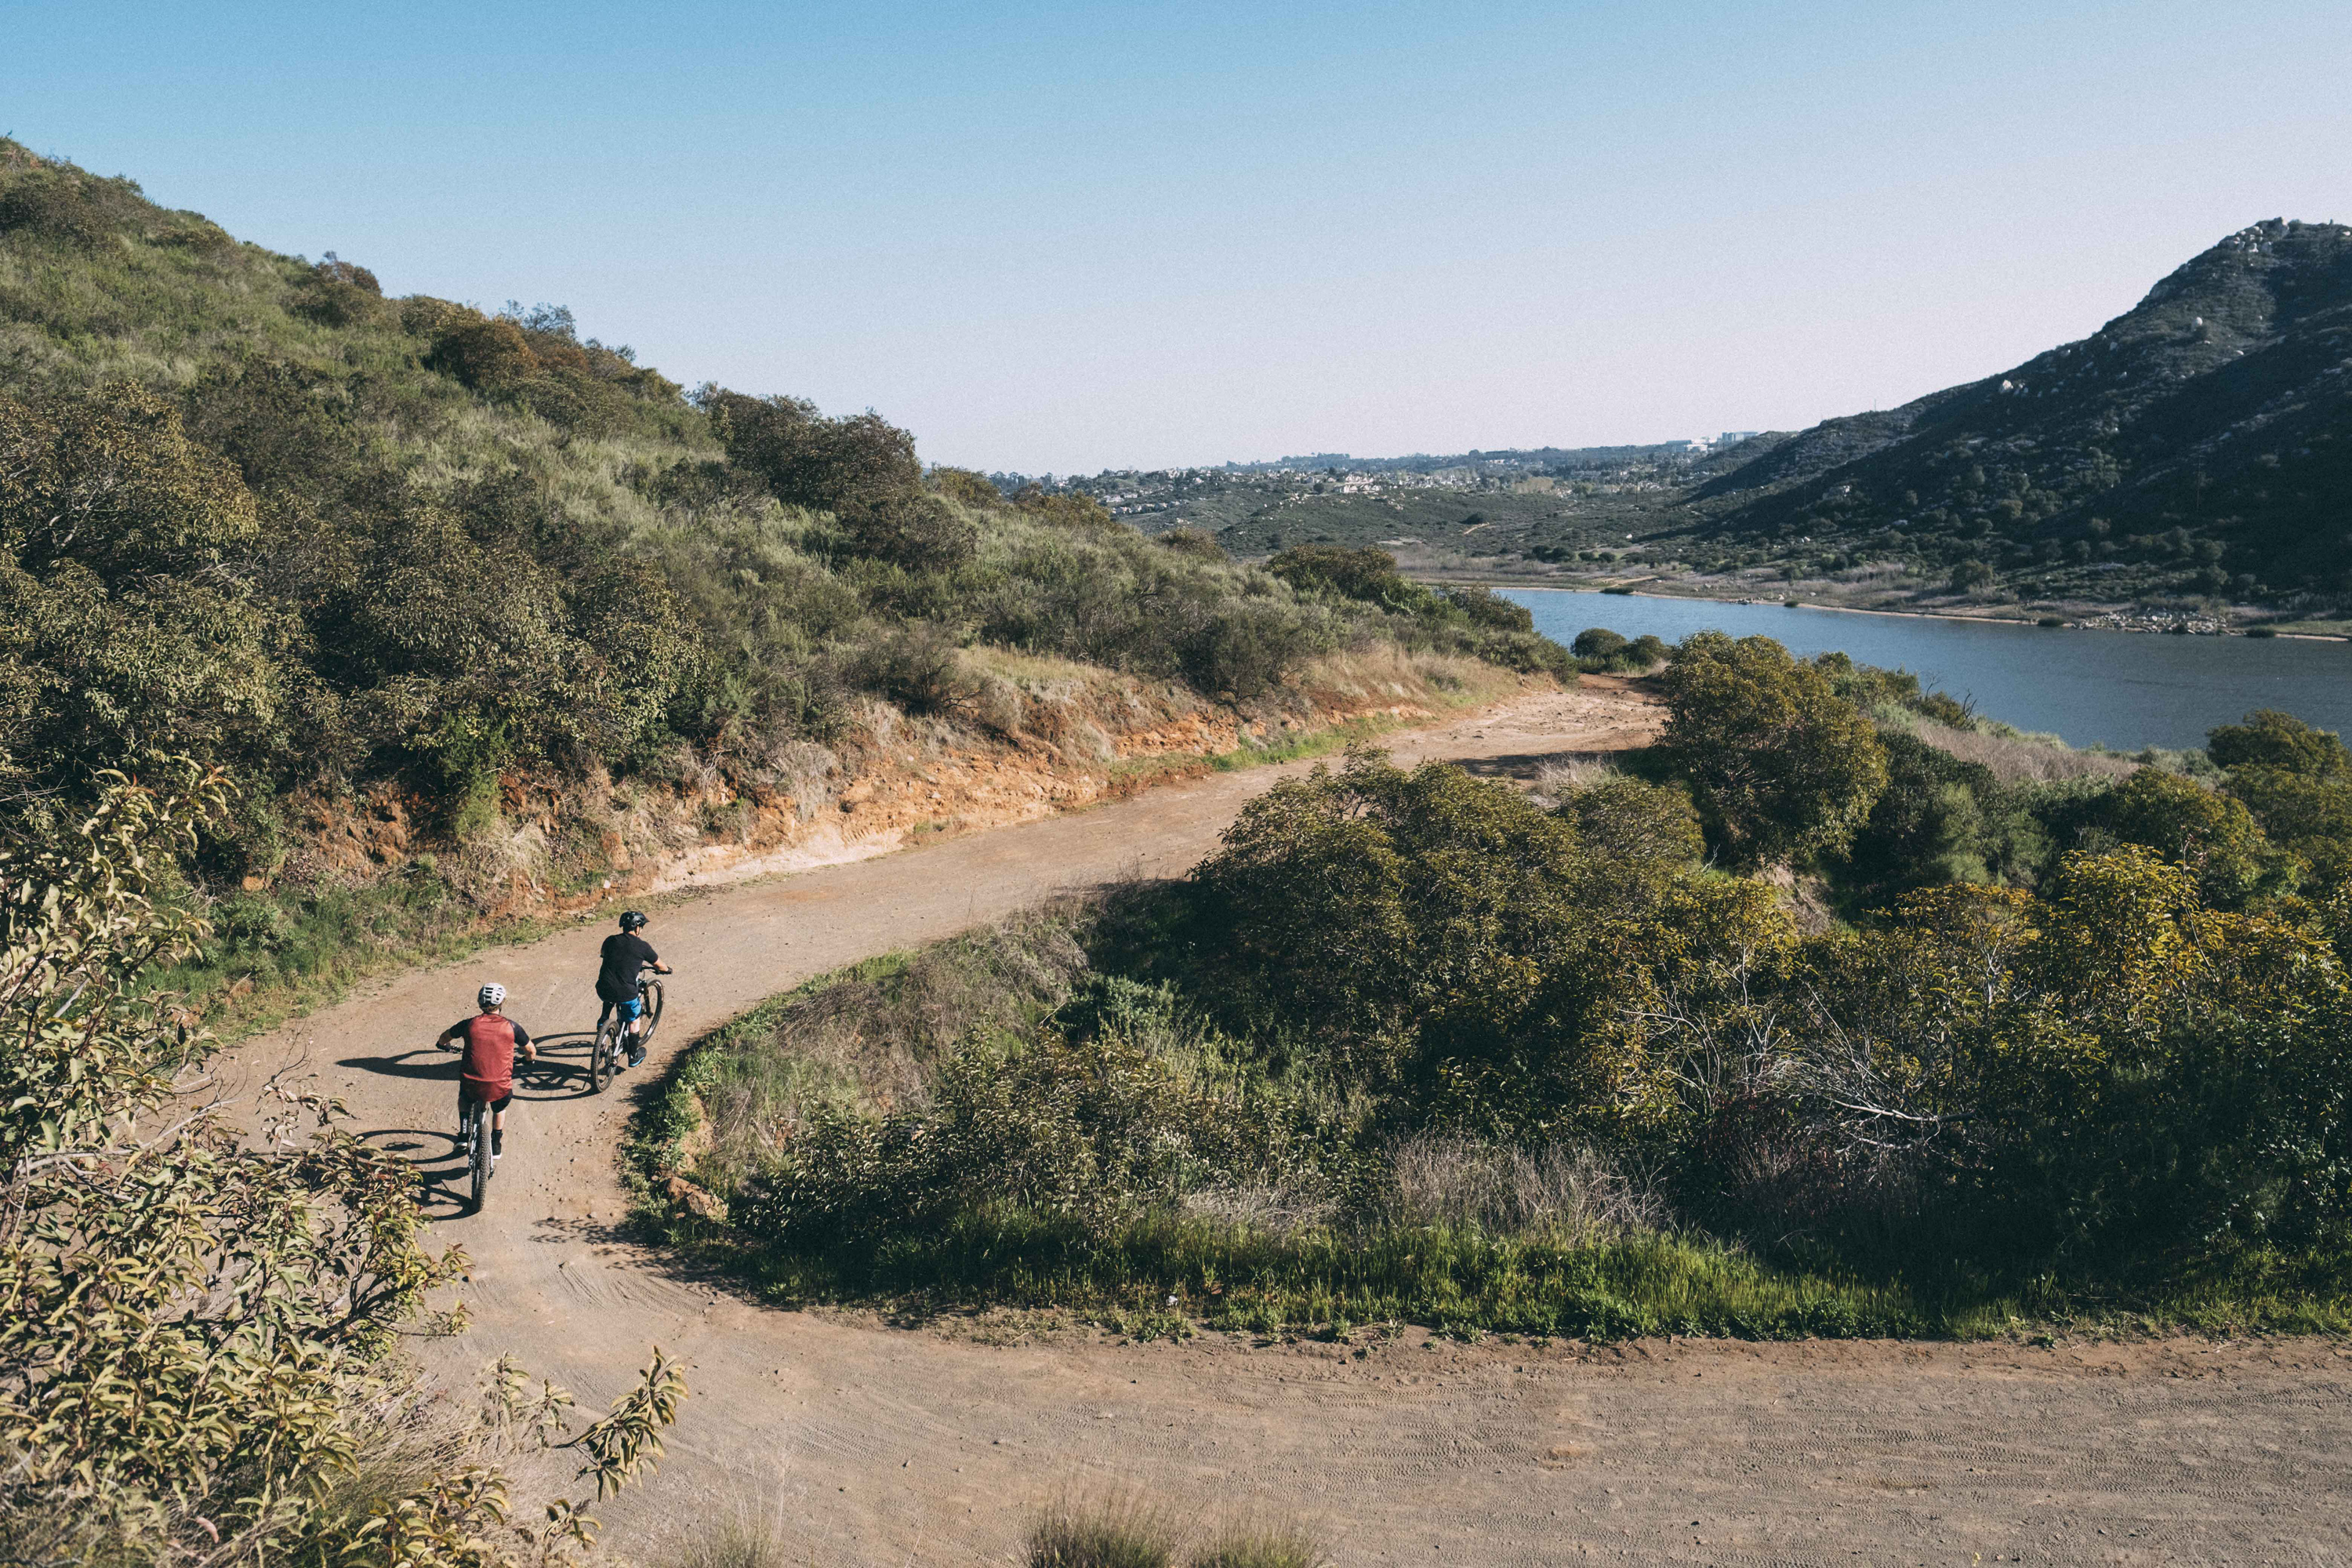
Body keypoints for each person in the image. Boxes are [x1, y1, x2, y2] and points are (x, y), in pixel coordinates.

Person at [436, 982, 537, 1160]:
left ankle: (464, 1135)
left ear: (479, 1002)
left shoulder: (469, 1024)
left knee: (464, 1099)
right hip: (500, 1086)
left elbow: (444, 1037)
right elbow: (531, 1050)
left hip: (472, 1084)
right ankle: (496, 1142)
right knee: (499, 1108)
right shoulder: (512, 1027)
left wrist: (442, 1045)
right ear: (502, 1002)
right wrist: (528, 1061)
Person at [597, 910, 672, 1068]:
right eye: (642, 926)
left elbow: (605, 956)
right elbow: (659, 965)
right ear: (637, 928)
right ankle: (633, 1056)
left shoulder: (610, 940)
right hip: (626, 992)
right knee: (634, 1019)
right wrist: (667, 970)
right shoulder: (643, 946)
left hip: (603, 987)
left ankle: (602, 1035)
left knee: (609, 1000)